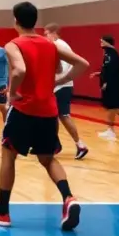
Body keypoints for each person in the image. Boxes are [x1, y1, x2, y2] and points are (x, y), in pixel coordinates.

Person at [0, 2, 88, 231]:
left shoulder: (14, 44)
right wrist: (57, 82)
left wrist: (12, 94)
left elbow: (19, 70)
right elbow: (83, 64)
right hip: (48, 111)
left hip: (24, 110)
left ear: (15, 21)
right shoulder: (49, 44)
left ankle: (2, 212)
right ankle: (68, 198)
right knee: (48, 159)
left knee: (8, 156)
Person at [43, 24, 89, 159]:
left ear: (54, 33)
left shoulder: (59, 46)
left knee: (63, 116)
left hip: (61, 87)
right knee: (52, 116)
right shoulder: (60, 45)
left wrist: (56, 81)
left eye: (46, 34)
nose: (45, 37)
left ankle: (80, 145)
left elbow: (60, 69)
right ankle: (54, 145)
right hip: (60, 86)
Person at [91, 35, 119, 140]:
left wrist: (105, 82)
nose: (101, 42)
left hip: (112, 84)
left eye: (102, 41)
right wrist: (99, 74)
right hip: (111, 83)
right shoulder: (108, 53)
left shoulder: (111, 54)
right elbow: (108, 69)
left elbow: (111, 70)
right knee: (113, 107)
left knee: (112, 107)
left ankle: (111, 131)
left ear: (108, 42)